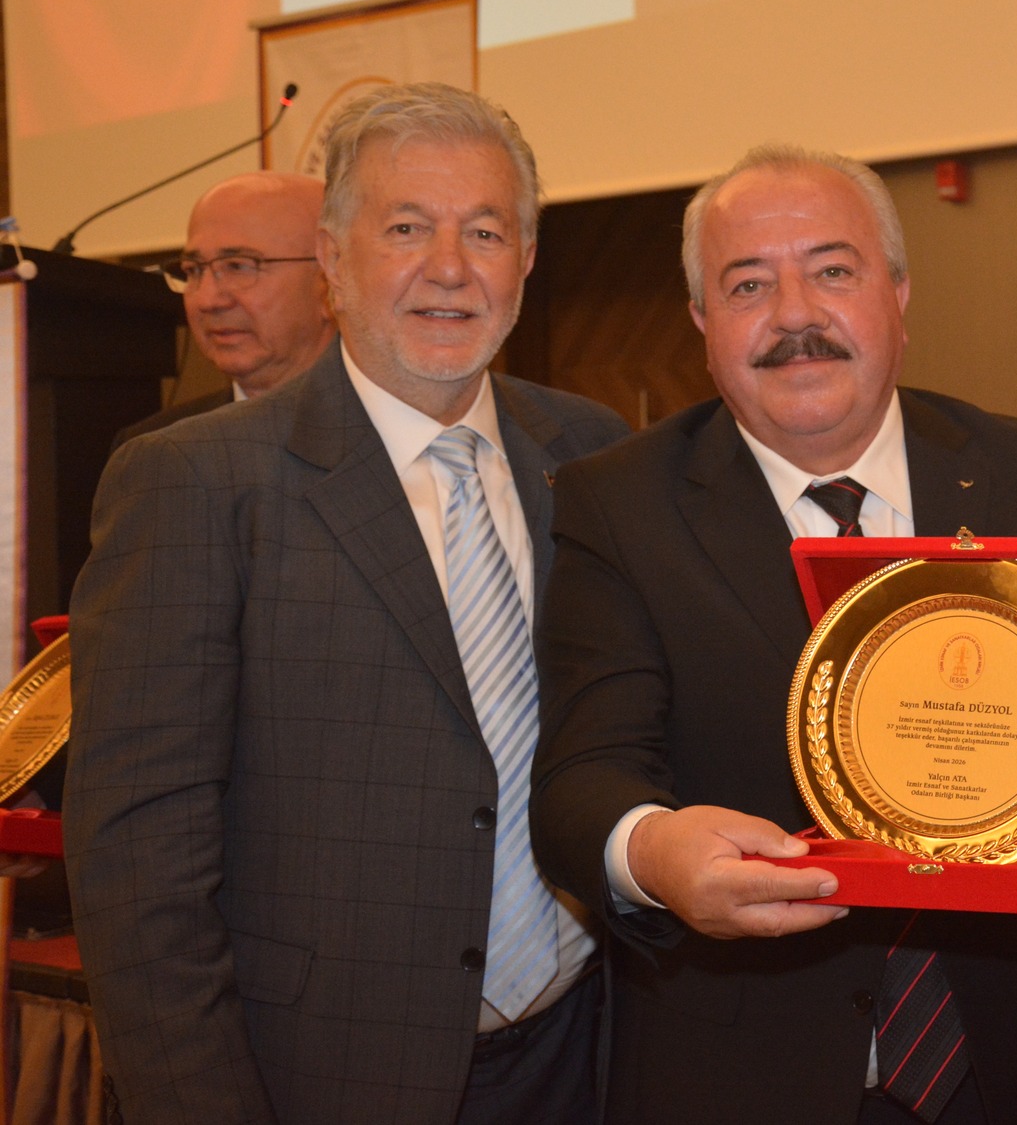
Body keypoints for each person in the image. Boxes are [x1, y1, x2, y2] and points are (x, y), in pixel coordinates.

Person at [67, 83, 629, 1125]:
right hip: (321, 1074)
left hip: (579, 1055)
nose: (450, 267)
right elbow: (139, 860)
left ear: (526, 258)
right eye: (406, 228)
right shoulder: (197, 482)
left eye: (485, 231)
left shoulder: (594, 454)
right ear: (331, 258)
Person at [530, 144, 1017, 1124]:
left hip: (1002, 1062)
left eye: (833, 271)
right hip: (740, 1073)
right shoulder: (619, 506)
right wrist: (655, 851)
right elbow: (581, 781)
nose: (794, 314)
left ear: (898, 294)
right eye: (748, 284)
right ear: (702, 323)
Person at [117, 171, 335, 444]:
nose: (207, 300)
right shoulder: (154, 448)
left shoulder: (383, 432)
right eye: (194, 270)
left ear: (330, 282)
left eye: (238, 267)